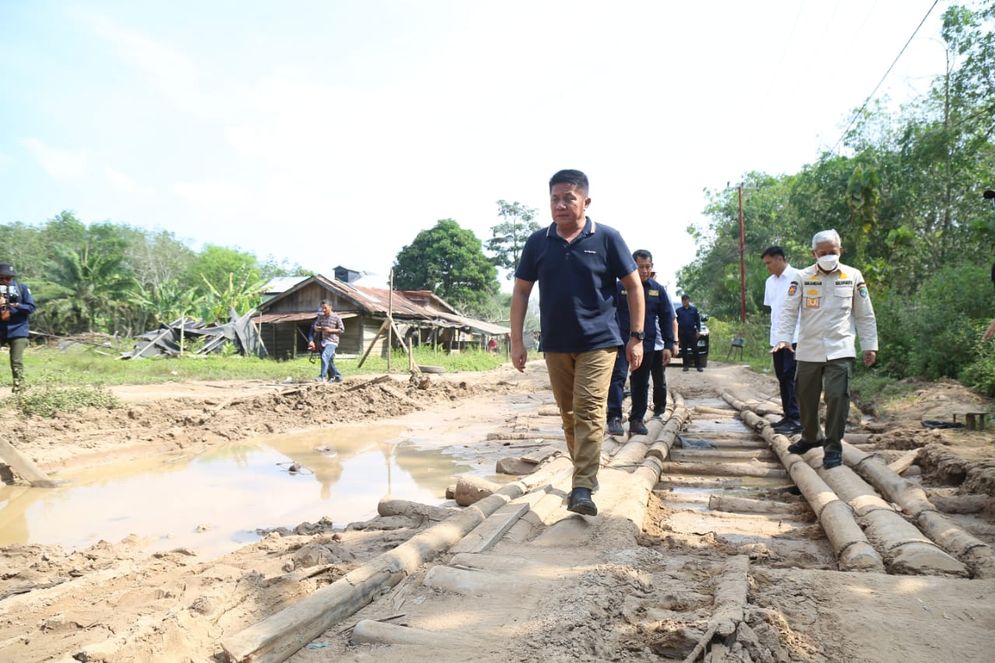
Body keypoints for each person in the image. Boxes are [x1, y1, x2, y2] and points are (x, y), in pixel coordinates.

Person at [511, 169, 644, 517]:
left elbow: (633, 286)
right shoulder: (538, 242)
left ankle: (582, 485)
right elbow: (522, 291)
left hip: (600, 343)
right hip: (555, 344)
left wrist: (637, 337)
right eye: (555, 198)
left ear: (585, 201)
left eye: (568, 198)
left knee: (587, 409)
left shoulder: (607, 238)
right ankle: (584, 474)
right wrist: (517, 340)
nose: (560, 205)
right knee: (569, 414)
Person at [773, 229, 878, 470]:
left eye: (833, 252)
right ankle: (811, 436)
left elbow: (864, 314)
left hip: (840, 348)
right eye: (823, 253)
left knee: (837, 397)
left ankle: (833, 447)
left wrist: (870, 345)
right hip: (809, 348)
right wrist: (783, 338)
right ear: (814, 253)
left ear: (840, 251)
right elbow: (789, 311)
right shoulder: (801, 277)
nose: (828, 256)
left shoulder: (853, 276)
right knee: (805, 397)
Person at [606, 250, 674, 436]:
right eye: (640, 267)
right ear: (632, 266)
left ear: (652, 267)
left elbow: (667, 317)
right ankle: (614, 418)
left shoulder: (657, 290)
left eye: (648, 267)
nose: (644, 271)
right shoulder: (619, 287)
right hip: (620, 341)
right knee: (617, 378)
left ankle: (636, 420)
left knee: (641, 382)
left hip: (647, 344)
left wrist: (669, 344)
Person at [762, 246, 802, 435]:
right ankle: (787, 415)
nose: (767, 267)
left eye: (769, 263)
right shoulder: (770, 282)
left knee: (791, 376)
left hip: (795, 336)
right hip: (777, 338)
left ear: (779, 259)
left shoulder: (798, 277)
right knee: (781, 376)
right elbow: (774, 310)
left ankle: (797, 417)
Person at [0, 263, 36, 393]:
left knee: (16, 361)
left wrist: (15, 305)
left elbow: (31, 308)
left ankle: (19, 388)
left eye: (8, 278)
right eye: (1, 278)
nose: (5, 281)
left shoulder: (22, 289)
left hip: (18, 329)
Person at [308, 301, 345, 383]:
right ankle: (338, 376)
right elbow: (315, 327)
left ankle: (322, 376)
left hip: (332, 341)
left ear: (330, 307)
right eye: (322, 308)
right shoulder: (321, 317)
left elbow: (342, 330)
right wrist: (321, 328)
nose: (323, 310)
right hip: (323, 341)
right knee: (329, 361)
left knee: (324, 356)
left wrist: (331, 330)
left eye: (325, 308)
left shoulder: (336, 317)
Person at [675, 294, 703, 372]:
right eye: (683, 300)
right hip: (682, 333)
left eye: (686, 300)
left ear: (688, 300)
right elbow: (675, 322)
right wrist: (677, 334)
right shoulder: (678, 311)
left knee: (695, 349)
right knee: (684, 350)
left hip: (692, 333)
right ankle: (685, 366)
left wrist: (698, 330)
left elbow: (697, 321)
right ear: (682, 301)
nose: (684, 301)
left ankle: (698, 366)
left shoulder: (694, 310)